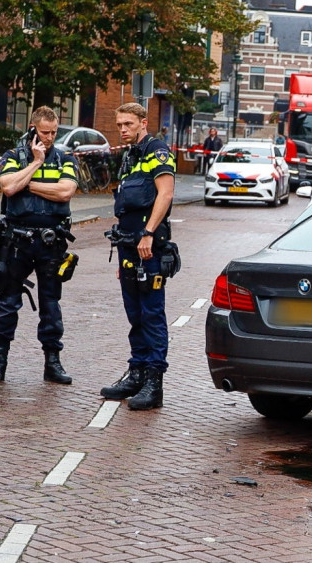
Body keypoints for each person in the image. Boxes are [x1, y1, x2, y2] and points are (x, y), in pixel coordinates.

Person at [0, 106, 78, 384]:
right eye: (44, 132)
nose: (49, 138)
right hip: (16, 242)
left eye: (53, 132)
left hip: (51, 243)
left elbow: (65, 192)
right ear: (33, 128)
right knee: (7, 303)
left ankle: (53, 362)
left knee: (51, 304)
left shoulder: (65, 158)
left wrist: (27, 183)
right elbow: (8, 188)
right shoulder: (14, 156)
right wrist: (35, 164)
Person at [99, 102, 176, 410]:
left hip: (149, 247)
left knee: (152, 313)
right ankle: (136, 373)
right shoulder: (131, 156)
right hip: (129, 247)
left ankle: (154, 383)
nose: (123, 129)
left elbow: (166, 194)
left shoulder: (157, 151)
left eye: (128, 124)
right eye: (120, 125)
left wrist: (148, 233)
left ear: (144, 122)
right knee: (135, 314)